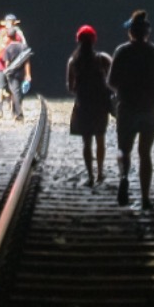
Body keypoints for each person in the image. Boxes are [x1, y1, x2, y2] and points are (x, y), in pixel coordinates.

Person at [107, 9, 154, 209]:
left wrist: (123, 89)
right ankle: (145, 199)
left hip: (127, 108)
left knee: (123, 149)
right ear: (148, 32)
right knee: (145, 153)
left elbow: (111, 81)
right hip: (151, 110)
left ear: (131, 33)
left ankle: (124, 178)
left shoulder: (122, 51)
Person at [66, 24, 112, 187]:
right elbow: (113, 79)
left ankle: (91, 176)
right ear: (94, 40)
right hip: (100, 105)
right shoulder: (103, 58)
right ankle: (100, 173)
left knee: (87, 142)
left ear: (78, 40)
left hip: (83, 105)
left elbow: (70, 87)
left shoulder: (73, 61)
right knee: (100, 138)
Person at [0, 14, 25, 119]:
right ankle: (14, 111)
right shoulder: (17, 34)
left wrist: (0, 55)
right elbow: (23, 50)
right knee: (14, 89)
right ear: (15, 23)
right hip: (13, 67)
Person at [1, 38, 33, 121]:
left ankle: (19, 114)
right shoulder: (24, 47)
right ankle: (15, 112)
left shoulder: (8, 48)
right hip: (21, 74)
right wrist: (28, 74)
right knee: (19, 94)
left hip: (12, 75)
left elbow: (7, 63)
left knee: (15, 93)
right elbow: (27, 62)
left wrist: (6, 73)